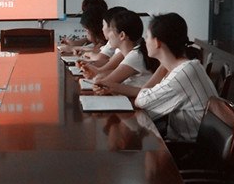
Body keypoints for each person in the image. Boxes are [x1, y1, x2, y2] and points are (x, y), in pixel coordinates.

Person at [133, 13, 218, 142]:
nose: (145, 41)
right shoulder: (190, 66)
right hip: (196, 142)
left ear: (157, 42)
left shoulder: (182, 75)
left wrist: (162, 68)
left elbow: (141, 101)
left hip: (189, 149)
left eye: (147, 36)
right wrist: (163, 66)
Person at [91, 10, 159, 96]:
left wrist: (98, 77)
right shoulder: (134, 52)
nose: (108, 35)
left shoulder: (135, 56)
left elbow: (105, 83)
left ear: (122, 35)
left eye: (110, 30)